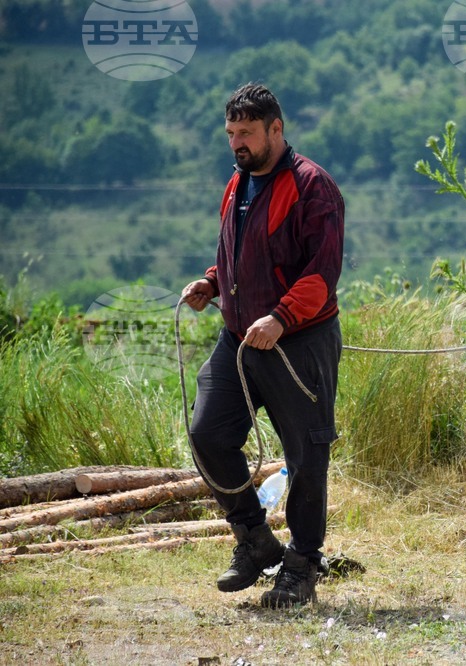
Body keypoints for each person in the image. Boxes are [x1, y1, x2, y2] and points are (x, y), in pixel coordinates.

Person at [181, 83, 344, 608]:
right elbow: (241, 253)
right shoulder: (237, 183)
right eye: (231, 133)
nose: (238, 143)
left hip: (299, 341)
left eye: (247, 132)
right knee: (207, 433)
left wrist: (280, 316)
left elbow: (322, 273)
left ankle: (301, 567)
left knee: (306, 456)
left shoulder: (313, 186)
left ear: (277, 128)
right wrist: (212, 281)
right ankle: (253, 538)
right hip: (239, 339)